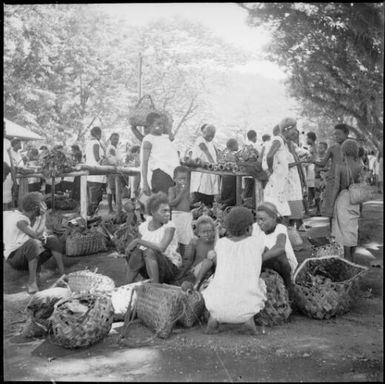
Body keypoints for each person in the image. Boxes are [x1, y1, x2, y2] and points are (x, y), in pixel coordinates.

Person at [198, 207, 267, 334]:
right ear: (249, 228)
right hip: (247, 306)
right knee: (259, 283)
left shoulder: (222, 243)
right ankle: (249, 321)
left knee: (217, 283)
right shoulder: (256, 242)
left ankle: (213, 320)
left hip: (217, 306)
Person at [3, 192, 65, 294]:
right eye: (42, 205)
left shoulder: (29, 217)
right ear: (35, 208)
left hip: (27, 253)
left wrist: (43, 232)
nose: (44, 207)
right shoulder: (20, 220)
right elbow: (35, 236)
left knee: (52, 239)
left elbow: (41, 233)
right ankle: (32, 282)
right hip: (15, 259)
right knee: (33, 243)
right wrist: (44, 216)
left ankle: (62, 274)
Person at [125, 192, 182, 284]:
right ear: (153, 212)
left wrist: (137, 241)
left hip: (169, 268)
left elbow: (161, 247)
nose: (167, 214)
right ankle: (126, 286)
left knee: (149, 251)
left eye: (168, 211)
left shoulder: (170, 226)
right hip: (149, 267)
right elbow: (139, 250)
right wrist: (132, 249)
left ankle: (155, 286)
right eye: (163, 211)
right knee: (136, 252)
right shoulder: (143, 227)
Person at [253, 202, 298, 296]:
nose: (259, 222)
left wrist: (257, 259)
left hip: (283, 265)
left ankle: (289, 287)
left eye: (262, 219)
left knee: (278, 254)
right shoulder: (255, 228)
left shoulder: (280, 228)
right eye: (257, 219)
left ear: (273, 218)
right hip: (264, 263)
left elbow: (280, 248)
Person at [330, 139, 364, 261]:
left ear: (343, 150)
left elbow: (336, 188)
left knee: (342, 231)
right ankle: (352, 257)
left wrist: (331, 204)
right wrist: (361, 205)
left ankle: (346, 258)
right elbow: (361, 186)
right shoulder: (360, 166)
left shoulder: (340, 167)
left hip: (343, 199)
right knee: (352, 229)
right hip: (355, 200)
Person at [312, 124, 350, 225]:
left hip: (347, 180)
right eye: (335, 134)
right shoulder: (332, 148)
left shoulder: (351, 146)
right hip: (333, 180)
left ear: (346, 134)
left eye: (339, 134)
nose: (336, 136)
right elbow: (323, 163)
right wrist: (313, 161)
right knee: (331, 205)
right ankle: (332, 232)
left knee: (346, 205)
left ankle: (345, 229)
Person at [141, 112, 180, 196]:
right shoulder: (149, 139)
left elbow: (172, 137)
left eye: (162, 123)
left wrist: (167, 123)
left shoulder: (165, 137)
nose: (161, 126)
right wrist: (145, 184)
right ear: (150, 125)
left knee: (170, 203)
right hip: (160, 176)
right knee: (162, 205)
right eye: (158, 123)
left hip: (172, 175)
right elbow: (144, 163)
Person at [177, 215, 217, 284]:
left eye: (209, 231)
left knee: (212, 254)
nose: (207, 234)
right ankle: (196, 284)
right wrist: (180, 275)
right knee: (208, 262)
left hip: (211, 273)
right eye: (203, 232)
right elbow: (187, 261)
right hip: (197, 271)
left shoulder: (216, 243)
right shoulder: (195, 242)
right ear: (198, 232)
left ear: (213, 231)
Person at [263, 121, 291, 217]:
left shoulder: (277, 141)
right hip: (276, 176)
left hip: (278, 177)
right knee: (277, 203)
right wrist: (270, 169)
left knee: (277, 202)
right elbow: (270, 156)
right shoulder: (278, 139)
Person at [190, 124, 220, 207]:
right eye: (209, 136)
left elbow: (215, 154)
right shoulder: (200, 140)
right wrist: (214, 165)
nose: (211, 138)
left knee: (209, 194)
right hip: (201, 170)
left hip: (209, 170)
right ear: (204, 132)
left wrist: (217, 163)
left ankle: (208, 209)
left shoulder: (211, 143)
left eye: (212, 136)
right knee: (200, 192)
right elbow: (207, 152)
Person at [168, 166, 194, 255]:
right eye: (180, 179)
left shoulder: (187, 189)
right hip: (177, 216)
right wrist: (181, 193)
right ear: (174, 179)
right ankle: (177, 257)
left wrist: (192, 198)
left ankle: (185, 258)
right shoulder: (172, 189)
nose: (183, 181)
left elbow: (189, 202)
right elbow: (171, 203)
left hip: (187, 216)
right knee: (178, 238)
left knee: (187, 239)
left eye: (185, 179)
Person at [85, 126, 107, 216]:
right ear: (98, 134)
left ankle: (89, 217)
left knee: (92, 200)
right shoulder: (96, 143)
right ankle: (89, 217)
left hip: (90, 175)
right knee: (94, 200)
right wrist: (105, 159)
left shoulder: (89, 143)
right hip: (96, 176)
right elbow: (97, 158)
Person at [106, 132, 123, 213]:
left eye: (117, 138)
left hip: (117, 171)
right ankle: (110, 209)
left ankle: (117, 207)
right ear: (110, 139)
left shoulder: (116, 148)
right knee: (111, 190)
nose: (116, 140)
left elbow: (119, 159)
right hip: (112, 171)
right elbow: (112, 160)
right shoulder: (111, 148)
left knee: (116, 189)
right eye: (114, 139)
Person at [220, 138, 238, 208]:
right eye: (237, 145)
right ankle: (227, 204)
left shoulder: (227, 153)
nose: (238, 146)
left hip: (226, 175)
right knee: (231, 191)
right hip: (230, 176)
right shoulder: (233, 154)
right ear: (232, 146)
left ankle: (225, 203)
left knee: (226, 190)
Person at [314, 141, 329, 216]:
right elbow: (315, 169)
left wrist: (320, 169)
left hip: (324, 179)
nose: (319, 149)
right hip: (317, 178)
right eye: (318, 147)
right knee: (317, 195)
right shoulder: (316, 157)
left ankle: (324, 210)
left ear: (325, 149)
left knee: (324, 194)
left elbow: (328, 168)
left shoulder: (327, 157)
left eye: (321, 148)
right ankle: (318, 210)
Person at [304, 132, 317, 208]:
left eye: (307, 138)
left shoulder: (314, 147)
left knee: (313, 188)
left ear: (311, 139)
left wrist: (306, 162)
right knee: (310, 187)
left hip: (312, 169)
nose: (306, 140)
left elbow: (314, 158)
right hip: (310, 169)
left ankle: (314, 205)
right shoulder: (311, 147)